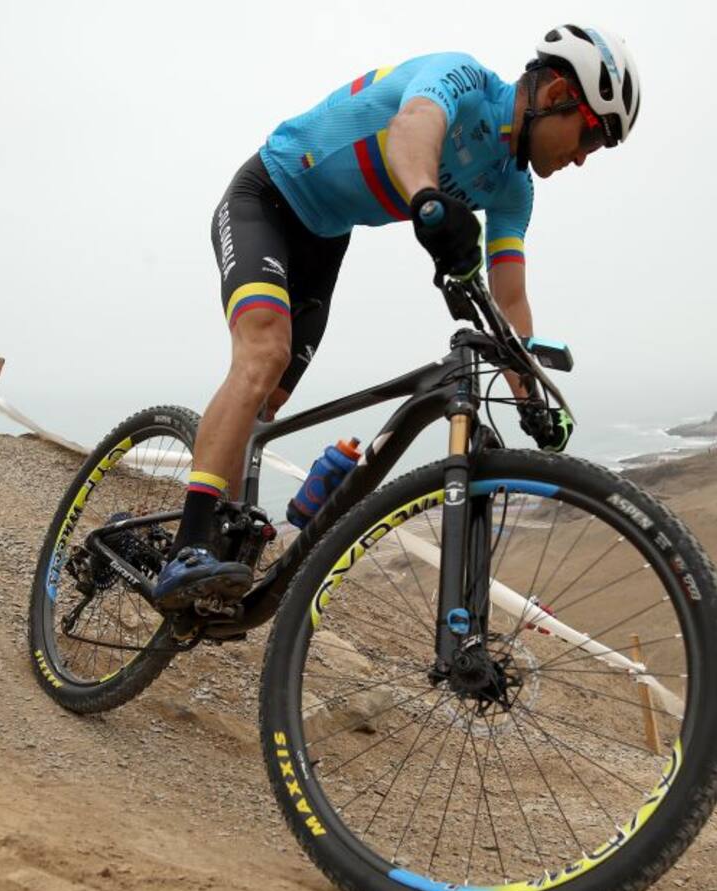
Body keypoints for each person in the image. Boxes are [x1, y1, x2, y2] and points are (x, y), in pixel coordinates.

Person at [154, 25, 642, 608]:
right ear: (556, 90)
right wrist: (428, 201)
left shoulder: (514, 192)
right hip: (266, 197)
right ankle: (187, 544)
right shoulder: (463, 79)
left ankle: (219, 545)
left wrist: (531, 392)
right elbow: (412, 131)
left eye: (601, 147)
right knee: (263, 354)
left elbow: (511, 301)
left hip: (324, 240)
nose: (585, 158)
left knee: (266, 403)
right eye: (591, 133)